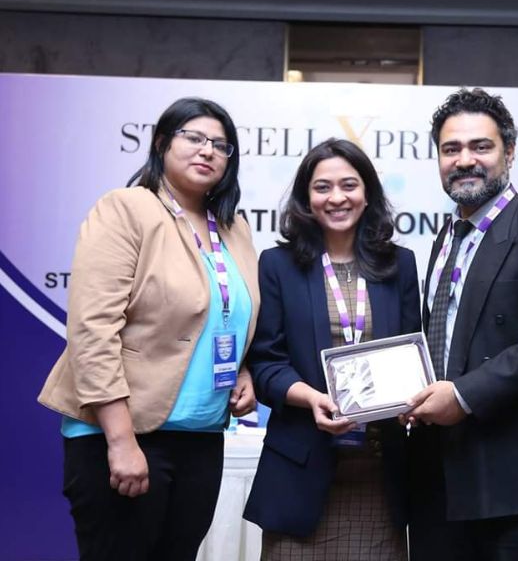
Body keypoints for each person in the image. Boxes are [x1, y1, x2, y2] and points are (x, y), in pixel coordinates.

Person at [37, 97, 260, 561]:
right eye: (194, 138)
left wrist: (243, 370)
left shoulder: (233, 226)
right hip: (121, 435)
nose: (208, 151)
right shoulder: (126, 209)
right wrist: (121, 442)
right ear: (161, 143)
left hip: (201, 439)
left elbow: (229, 315)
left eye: (221, 145)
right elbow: (93, 330)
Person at [403, 88, 518, 560]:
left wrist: (463, 396)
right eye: (451, 149)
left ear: (509, 152)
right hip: (438, 480)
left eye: (480, 146)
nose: (465, 160)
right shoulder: (446, 236)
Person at [243, 138, 421, 560]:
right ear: (306, 197)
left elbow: (415, 354)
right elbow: (267, 363)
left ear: (368, 193)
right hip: (302, 472)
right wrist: (311, 399)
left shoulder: (401, 264)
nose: (337, 197)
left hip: (379, 473)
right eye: (322, 187)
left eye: (349, 185)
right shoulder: (277, 265)